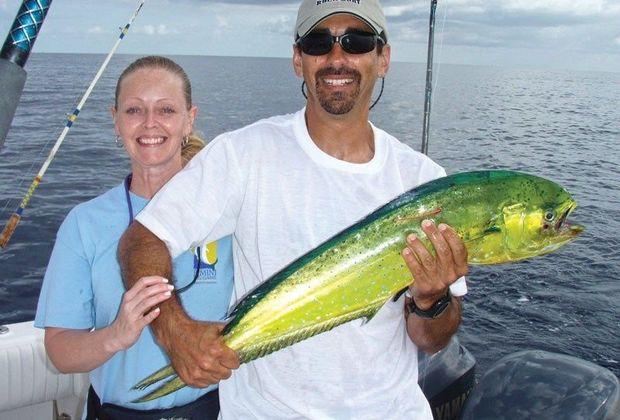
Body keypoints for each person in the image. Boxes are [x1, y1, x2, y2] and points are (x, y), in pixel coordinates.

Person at [119, 1, 468, 418]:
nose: (337, 58)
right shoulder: (244, 153)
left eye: (357, 42)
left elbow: (432, 340)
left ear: (383, 59)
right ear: (298, 60)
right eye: (319, 42)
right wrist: (174, 331)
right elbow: (142, 240)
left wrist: (432, 299)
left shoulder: (425, 180)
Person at [34, 56, 234, 419]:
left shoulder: (229, 214)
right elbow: (60, 351)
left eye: (167, 110)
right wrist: (116, 335)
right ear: (115, 120)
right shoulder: (84, 224)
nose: (150, 123)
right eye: (134, 110)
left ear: (190, 118)